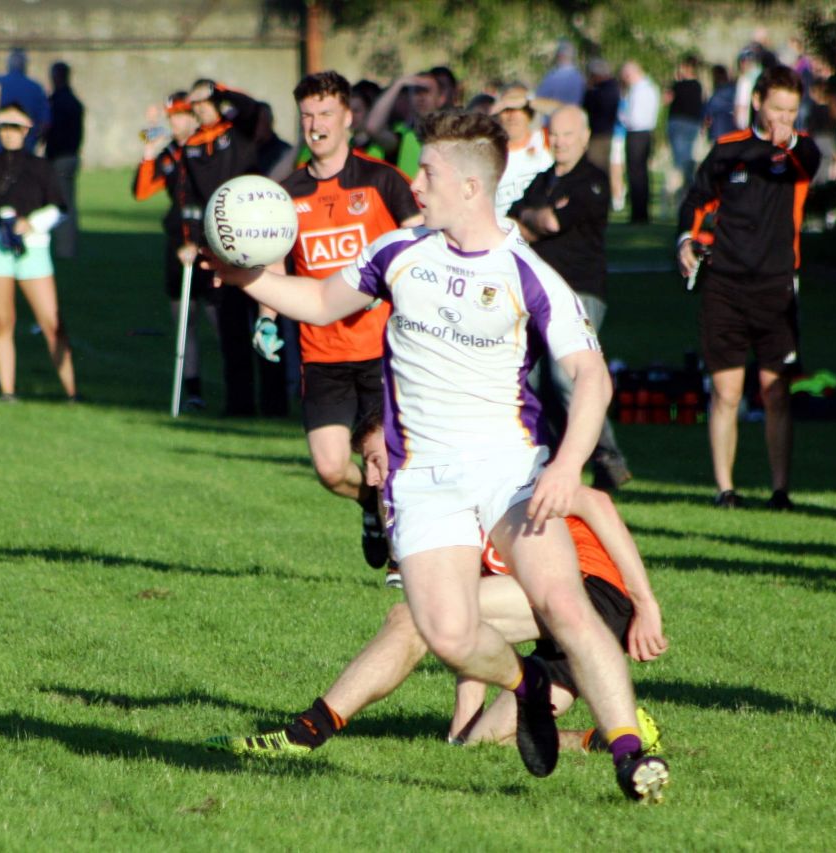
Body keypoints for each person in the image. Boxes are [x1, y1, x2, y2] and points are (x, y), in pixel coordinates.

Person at [207, 109, 669, 802]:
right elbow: (319, 301)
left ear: (471, 188)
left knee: (565, 605)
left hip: (508, 468)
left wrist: (569, 464)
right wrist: (243, 279)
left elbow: (593, 377)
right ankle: (530, 682)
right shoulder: (399, 251)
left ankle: (632, 753)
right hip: (421, 479)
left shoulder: (529, 275)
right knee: (448, 631)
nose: (415, 182)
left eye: (428, 172)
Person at [206, 416, 666, 758]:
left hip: (591, 595)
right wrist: (462, 723)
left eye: (374, 459)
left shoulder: (482, 469)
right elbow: (466, 635)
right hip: (546, 622)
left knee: (411, 617)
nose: (369, 477)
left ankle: (306, 731)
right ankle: (605, 738)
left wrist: (645, 604)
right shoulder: (426, 508)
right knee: (481, 742)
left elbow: (597, 503)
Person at [257, 71, 421, 583]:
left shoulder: (381, 180)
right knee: (331, 468)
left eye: (325, 114)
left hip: (381, 348)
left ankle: (402, 553)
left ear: (348, 118)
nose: (315, 125)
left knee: (384, 454)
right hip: (321, 351)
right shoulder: (288, 193)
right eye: (307, 115)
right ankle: (371, 505)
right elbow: (277, 263)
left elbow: (416, 241)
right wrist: (267, 320)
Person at [677, 66, 821, 510]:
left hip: (776, 286)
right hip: (725, 284)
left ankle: (781, 490)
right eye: (777, 108)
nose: (784, 117)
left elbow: (808, 161)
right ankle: (725, 488)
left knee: (776, 390)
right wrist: (686, 241)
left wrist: (787, 141)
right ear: (757, 102)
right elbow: (697, 202)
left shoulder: (801, 154)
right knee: (726, 392)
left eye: (792, 110)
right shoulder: (726, 150)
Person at [509, 105, 631, 490]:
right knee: (533, 377)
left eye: (567, 134)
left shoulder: (591, 181)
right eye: (555, 135)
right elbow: (516, 222)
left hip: (580, 290)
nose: (560, 142)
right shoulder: (543, 180)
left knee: (568, 375)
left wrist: (535, 220)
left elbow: (550, 222)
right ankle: (559, 458)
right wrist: (535, 218)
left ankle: (608, 455)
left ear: (583, 135)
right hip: (538, 294)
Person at [183, 78, 285, 417]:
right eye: (193, 103)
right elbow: (190, 197)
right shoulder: (191, 145)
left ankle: (274, 405)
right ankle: (239, 404)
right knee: (230, 329)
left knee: (266, 318)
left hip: (254, 238)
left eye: (203, 101)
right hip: (219, 245)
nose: (198, 108)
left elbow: (251, 107)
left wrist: (220, 91)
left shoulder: (237, 130)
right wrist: (191, 239)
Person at [0, 103, 76, 402]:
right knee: (2, 320)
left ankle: (72, 392)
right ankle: (7, 389)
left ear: (27, 131)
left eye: (15, 127)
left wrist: (32, 223)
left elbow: (60, 208)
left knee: (51, 322)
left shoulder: (41, 166)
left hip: (33, 249)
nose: (9, 133)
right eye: (3, 127)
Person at [133, 92, 215, 411]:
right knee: (184, 318)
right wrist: (149, 154)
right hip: (176, 244)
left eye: (182, 115)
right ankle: (193, 390)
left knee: (216, 315)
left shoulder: (206, 150)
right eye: (173, 117)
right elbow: (142, 192)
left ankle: (241, 383)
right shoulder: (169, 154)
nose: (176, 122)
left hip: (206, 245)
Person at [491, 84, 553, 217]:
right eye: (506, 109)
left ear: (529, 113)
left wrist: (527, 101)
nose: (511, 116)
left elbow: (569, 113)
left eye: (518, 109)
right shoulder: (488, 149)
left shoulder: (545, 139)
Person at [44, 61, 84, 259]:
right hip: (71, 156)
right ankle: (68, 248)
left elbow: (50, 130)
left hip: (60, 157)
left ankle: (65, 250)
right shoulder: (72, 101)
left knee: (62, 205)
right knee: (68, 204)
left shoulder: (58, 102)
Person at [618, 62, 658, 224]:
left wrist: (622, 116)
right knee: (641, 173)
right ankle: (641, 211)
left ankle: (638, 213)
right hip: (646, 133)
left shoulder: (639, 90)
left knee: (636, 173)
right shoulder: (651, 88)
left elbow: (633, 117)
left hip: (636, 133)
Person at [665, 55, 704, 206]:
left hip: (680, 123)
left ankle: (677, 193)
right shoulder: (698, 86)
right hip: (692, 124)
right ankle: (684, 193)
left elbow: (667, 99)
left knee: (680, 162)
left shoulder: (678, 85)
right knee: (687, 160)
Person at [0, 48, 50, 152]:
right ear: (25, 65)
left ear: (8, 64)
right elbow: (45, 123)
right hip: (25, 148)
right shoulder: (36, 88)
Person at [583, 59, 621, 175]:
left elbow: (593, 106)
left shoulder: (607, 90)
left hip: (601, 134)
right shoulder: (610, 88)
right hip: (602, 132)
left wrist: (589, 92)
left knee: (597, 166)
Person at [535, 39, 586, 109]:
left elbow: (540, 96)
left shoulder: (552, 76)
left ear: (560, 55)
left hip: (553, 116)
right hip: (573, 115)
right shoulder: (579, 77)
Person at [254, 102, 296, 181]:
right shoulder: (243, 151)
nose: (256, 125)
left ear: (270, 122)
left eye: (261, 121)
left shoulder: (284, 152)